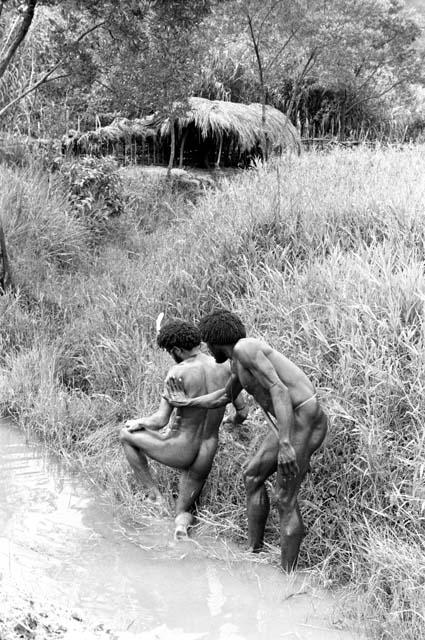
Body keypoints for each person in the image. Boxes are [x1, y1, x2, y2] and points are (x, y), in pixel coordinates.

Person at [165, 309, 327, 570]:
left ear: (215, 341)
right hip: (291, 424)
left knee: (284, 498)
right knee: (252, 475)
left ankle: (287, 577)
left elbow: (279, 389)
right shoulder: (237, 362)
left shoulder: (245, 348)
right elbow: (224, 396)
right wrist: (187, 402)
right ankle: (254, 552)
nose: (206, 348)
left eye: (207, 343)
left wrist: (285, 444)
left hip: (304, 421)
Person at [120, 319, 247, 541]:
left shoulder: (178, 372)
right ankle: (181, 526)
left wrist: (139, 422)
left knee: (125, 435)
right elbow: (243, 412)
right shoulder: (226, 366)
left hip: (181, 448)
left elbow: (160, 420)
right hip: (207, 451)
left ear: (177, 350)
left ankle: (153, 495)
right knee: (183, 510)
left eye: (171, 351)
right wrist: (232, 422)